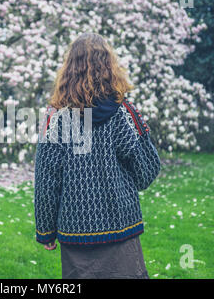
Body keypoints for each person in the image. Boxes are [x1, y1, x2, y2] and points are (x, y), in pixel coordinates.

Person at [34, 32, 161, 279]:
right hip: (121, 227)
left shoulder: (56, 118)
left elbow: (46, 182)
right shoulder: (123, 113)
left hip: (75, 232)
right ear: (109, 67)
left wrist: (46, 231)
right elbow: (147, 171)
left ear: (69, 70)